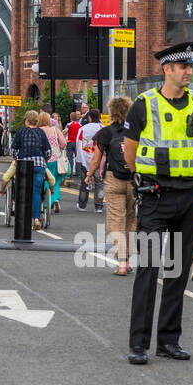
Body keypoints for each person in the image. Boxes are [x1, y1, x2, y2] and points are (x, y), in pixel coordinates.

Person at [122, 42, 193, 364]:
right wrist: (138, 179)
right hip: (155, 197)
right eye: (184, 67)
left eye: (191, 66)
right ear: (167, 69)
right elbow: (129, 148)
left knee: (178, 272)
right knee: (147, 270)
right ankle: (138, 344)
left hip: (189, 197)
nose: (190, 71)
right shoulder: (144, 105)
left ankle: (168, 341)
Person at [89, 97, 135, 275]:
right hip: (134, 180)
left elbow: (96, 160)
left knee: (116, 221)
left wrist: (88, 175)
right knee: (131, 220)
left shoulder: (105, 133)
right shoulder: (136, 133)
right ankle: (129, 260)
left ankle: (122, 263)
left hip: (113, 178)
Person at [9, 110, 52, 228]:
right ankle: (36, 219)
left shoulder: (21, 131)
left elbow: (13, 150)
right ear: (37, 121)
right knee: (36, 192)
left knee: (22, 189)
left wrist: (16, 159)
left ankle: (22, 217)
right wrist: (44, 160)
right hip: (39, 164)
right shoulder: (41, 133)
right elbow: (48, 151)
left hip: (24, 164)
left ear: (27, 120)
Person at [76, 109, 104, 213]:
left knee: (85, 182)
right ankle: (99, 206)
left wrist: (78, 159)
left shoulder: (83, 128)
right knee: (99, 183)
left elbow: (79, 144)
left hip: (85, 158)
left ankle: (82, 205)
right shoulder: (102, 128)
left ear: (90, 118)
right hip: (99, 159)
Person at [40, 112, 67, 213]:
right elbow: (64, 143)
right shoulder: (55, 130)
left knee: (45, 181)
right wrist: (58, 148)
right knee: (55, 181)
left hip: (43, 160)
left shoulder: (38, 130)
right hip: (55, 159)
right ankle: (56, 199)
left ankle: (48, 201)